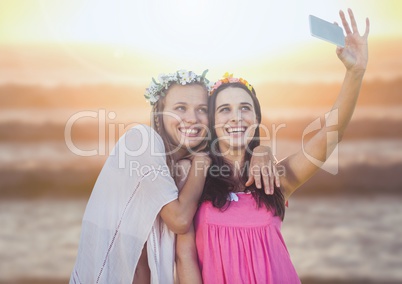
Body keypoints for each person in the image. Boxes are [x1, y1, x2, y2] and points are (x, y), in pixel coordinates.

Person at [176, 8, 369, 283]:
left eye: (244, 108)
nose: (236, 117)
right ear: (211, 121)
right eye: (224, 110)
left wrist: (355, 74)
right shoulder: (192, 174)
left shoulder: (276, 179)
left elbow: (331, 133)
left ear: (256, 118)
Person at [69, 70, 277, 284]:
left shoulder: (183, 168)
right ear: (159, 115)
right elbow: (179, 220)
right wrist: (202, 162)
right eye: (180, 108)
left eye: (202, 110)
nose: (192, 118)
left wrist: (261, 150)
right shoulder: (142, 141)